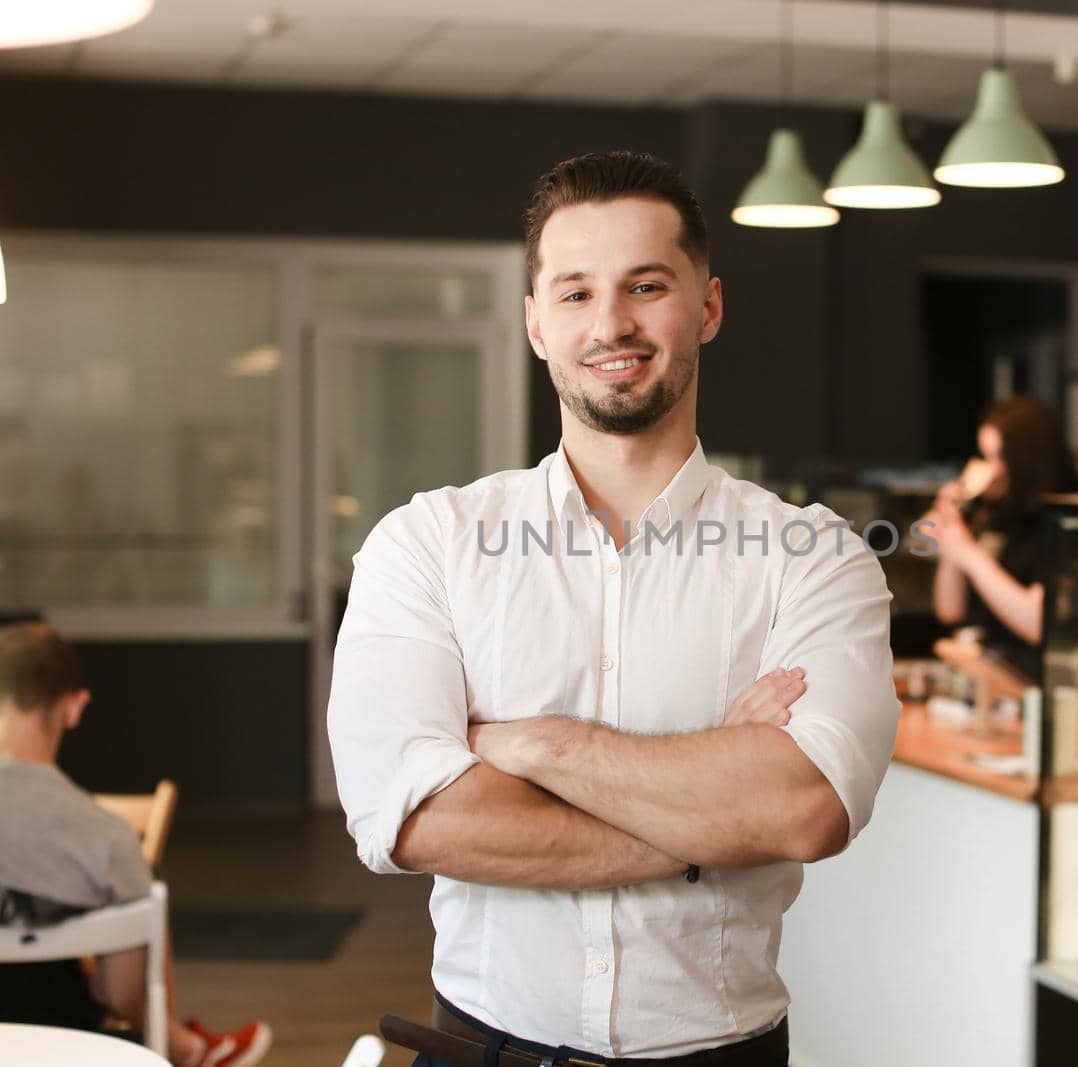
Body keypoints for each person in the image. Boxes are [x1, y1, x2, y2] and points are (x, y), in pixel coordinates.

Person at [328, 150, 900, 1067]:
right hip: (482, 1049)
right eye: (575, 293)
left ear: (707, 306)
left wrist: (531, 744)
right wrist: (710, 823)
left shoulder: (816, 556)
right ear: (535, 324)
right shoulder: (426, 542)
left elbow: (802, 809)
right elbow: (415, 821)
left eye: (645, 285)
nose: (611, 324)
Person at [0, 622, 270, 1067]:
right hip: (64, 1046)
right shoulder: (110, 840)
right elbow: (121, 998)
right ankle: (193, 1052)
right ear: (74, 707)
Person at [924, 394, 1078, 677]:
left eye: (1000, 457)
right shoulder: (995, 512)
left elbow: (1039, 624)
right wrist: (953, 535)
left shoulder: (1066, 520)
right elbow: (950, 611)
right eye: (986, 457)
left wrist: (969, 555)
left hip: (1038, 685)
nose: (993, 469)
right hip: (987, 679)